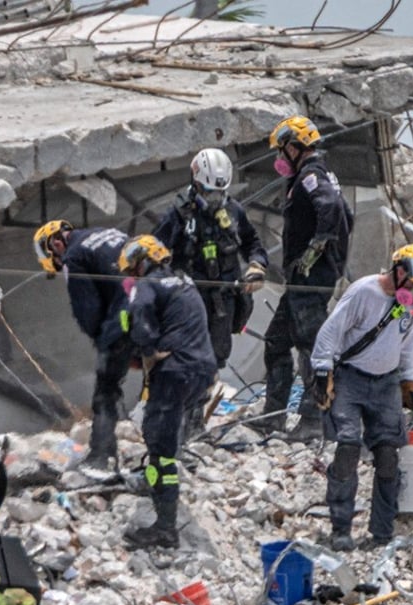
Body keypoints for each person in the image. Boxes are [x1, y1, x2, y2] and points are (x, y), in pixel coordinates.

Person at [311, 244, 413, 551]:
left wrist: (407, 380)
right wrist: (322, 370)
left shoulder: (409, 303)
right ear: (399, 270)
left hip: (386, 384)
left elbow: (408, 340)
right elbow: (330, 332)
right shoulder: (363, 292)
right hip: (351, 379)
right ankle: (341, 527)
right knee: (348, 447)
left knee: (388, 456)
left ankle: (382, 532)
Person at [117, 235, 216, 549]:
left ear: (141, 261)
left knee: (159, 444)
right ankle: (156, 484)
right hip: (202, 368)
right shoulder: (184, 280)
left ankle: (164, 528)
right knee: (160, 430)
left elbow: (141, 324)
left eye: (132, 269)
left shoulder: (148, 285)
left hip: (176, 371)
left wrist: (144, 348)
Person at [262, 115, 353, 440]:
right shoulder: (319, 173)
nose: (278, 157)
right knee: (276, 342)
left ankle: (314, 420)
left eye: (281, 149)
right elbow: (346, 213)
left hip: (310, 280)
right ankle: (273, 415)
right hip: (302, 281)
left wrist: (316, 248)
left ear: (294, 146)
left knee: (312, 349)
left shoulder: (312, 175)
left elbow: (330, 208)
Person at [153, 147, 268, 369]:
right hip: (189, 299)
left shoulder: (234, 211)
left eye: (219, 191)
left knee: (215, 359)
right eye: (208, 191)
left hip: (223, 301)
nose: (214, 198)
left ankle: (205, 398)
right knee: (184, 358)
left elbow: (252, 242)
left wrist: (256, 266)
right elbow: (154, 251)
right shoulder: (179, 214)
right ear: (195, 184)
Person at [33, 220, 131, 469]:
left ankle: (101, 456)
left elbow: (87, 309)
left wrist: (104, 342)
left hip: (127, 314)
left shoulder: (73, 256)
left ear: (56, 245)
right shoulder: (110, 230)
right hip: (160, 303)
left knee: (105, 392)